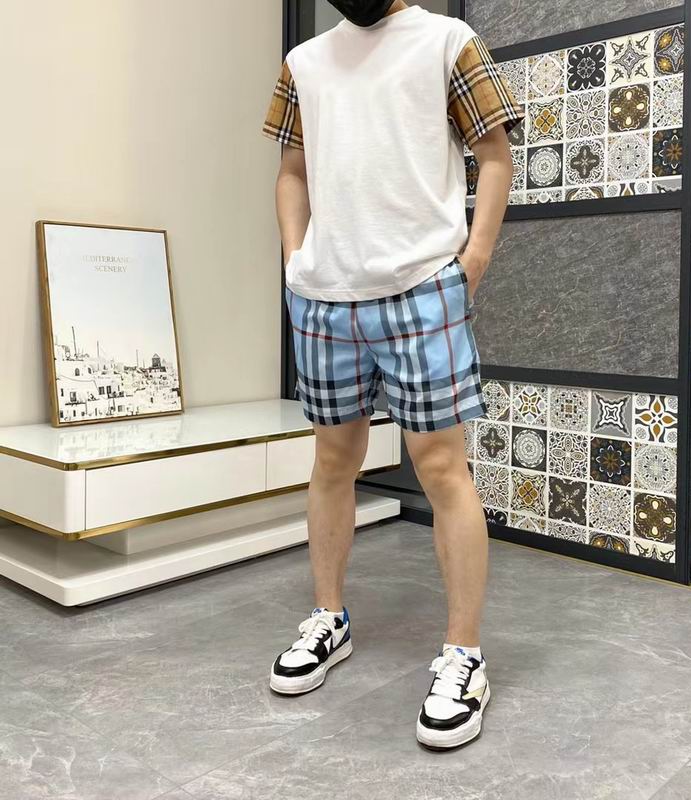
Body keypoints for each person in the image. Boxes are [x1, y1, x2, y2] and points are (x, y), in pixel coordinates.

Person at [262, 0, 522, 749]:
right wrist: (295, 260)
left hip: (422, 288)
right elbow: (291, 170)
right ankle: (329, 618)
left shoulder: (448, 42)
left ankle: (464, 654)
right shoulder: (303, 63)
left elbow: (494, 154)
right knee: (332, 460)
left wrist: (471, 263)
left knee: (441, 467)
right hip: (325, 296)